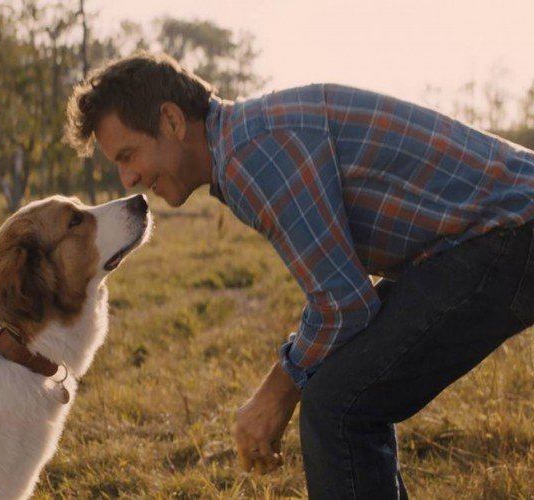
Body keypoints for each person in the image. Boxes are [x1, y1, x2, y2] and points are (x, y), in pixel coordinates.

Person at [64, 51, 534, 499]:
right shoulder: (248, 143)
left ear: (171, 120)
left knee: (338, 405)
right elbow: (345, 299)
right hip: (492, 236)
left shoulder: (254, 154)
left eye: (128, 155)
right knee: (342, 393)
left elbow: (344, 304)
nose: (127, 179)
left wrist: (274, 393)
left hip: (509, 234)